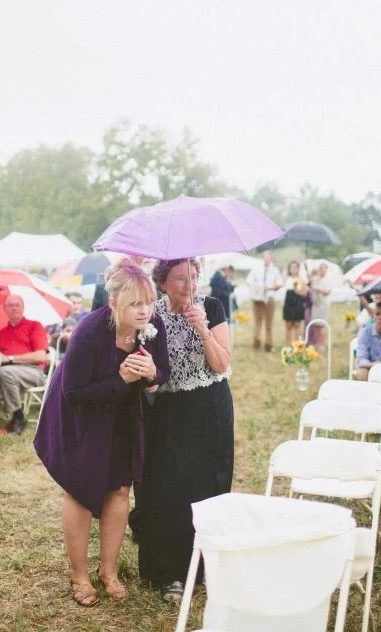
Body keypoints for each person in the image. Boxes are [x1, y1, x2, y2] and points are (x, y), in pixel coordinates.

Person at [34, 259, 169, 607]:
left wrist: (152, 372)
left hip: (125, 415)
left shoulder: (154, 325)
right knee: (81, 492)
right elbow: (73, 393)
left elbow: (162, 372)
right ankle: (79, 575)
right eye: (135, 304)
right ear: (114, 303)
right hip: (82, 416)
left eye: (149, 302)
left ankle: (108, 571)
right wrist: (120, 380)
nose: (144, 311)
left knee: (120, 489)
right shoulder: (89, 332)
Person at [140, 257, 233, 601]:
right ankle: (170, 572)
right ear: (163, 283)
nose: (188, 285)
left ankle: (206, 567)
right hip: (168, 411)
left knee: (208, 484)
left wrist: (203, 330)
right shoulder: (151, 315)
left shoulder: (212, 305)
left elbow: (222, 363)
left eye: (193, 277)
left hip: (210, 407)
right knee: (168, 487)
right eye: (180, 279)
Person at [0, 294, 49, 435]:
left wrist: (10, 358)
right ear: (4, 309)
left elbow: (40, 356)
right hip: (7, 371)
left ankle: (18, 416)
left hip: (33, 371)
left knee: (5, 373)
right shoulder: (0, 333)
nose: (14, 308)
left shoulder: (34, 326)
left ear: (23, 307)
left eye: (17, 305)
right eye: (10, 305)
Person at [245, 251, 283, 352]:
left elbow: (279, 283)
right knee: (257, 322)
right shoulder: (256, 269)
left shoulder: (275, 270)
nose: (267, 259)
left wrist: (270, 288)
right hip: (258, 299)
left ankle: (269, 344)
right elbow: (248, 281)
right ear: (262, 258)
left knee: (269, 323)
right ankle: (256, 342)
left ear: (271, 258)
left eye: (269, 258)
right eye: (265, 257)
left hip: (269, 300)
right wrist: (258, 287)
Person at [282, 260, 308, 348]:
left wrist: (297, 291)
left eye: (296, 267)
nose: (294, 269)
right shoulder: (286, 278)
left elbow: (305, 293)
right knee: (288, 325)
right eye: (292, 267)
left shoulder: (301, 280)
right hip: (288, 302)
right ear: (289, 269)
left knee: (297, 324)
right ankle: (287, 346)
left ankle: (296, 346)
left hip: (298, 302)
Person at [307, 263, 332, 349]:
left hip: (323, 304)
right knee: (315, 324)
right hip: (315, 304)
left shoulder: (328, 280)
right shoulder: (316, 279)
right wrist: (311, 272)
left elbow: (327, 292)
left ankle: (322, 344)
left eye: (323, 269)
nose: (321, 270)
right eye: (320, 268)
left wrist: (318, 289)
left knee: (321, 325)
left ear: (326, 270)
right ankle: (317, 342)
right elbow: (309, 282)